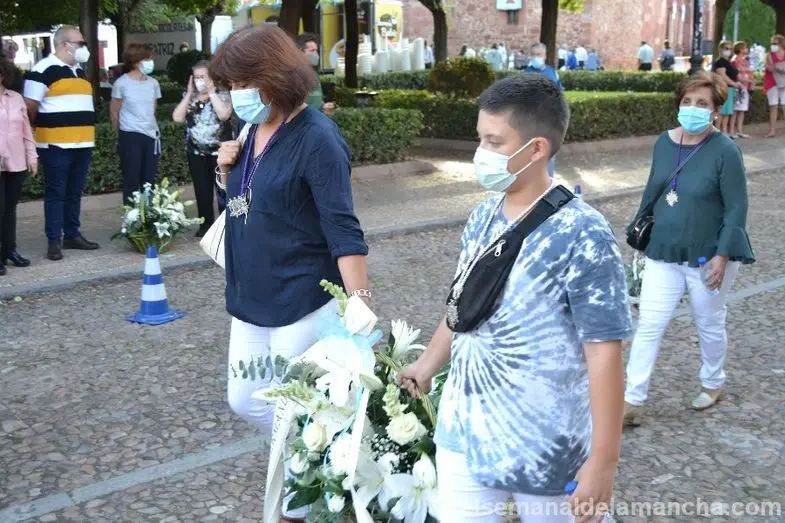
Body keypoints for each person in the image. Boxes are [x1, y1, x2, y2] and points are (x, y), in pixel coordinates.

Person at [399, 74, 632, 523]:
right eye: (480, 139)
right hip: (463, 434)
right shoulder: (482, 216)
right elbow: (464, 305)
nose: (480, 153)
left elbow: (604, 353)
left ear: (536, 148)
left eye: (493, 142)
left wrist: (603, 462)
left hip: (546, 447)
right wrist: (427, 365)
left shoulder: (583, 233)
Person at [209, 24, 370, 522]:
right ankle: (323, 454)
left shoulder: (318, 138)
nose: (235, 93)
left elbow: (343, 227)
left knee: (291, 410)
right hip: (250, 296)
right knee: (245, 400)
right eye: (230, 85)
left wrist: (359, 302)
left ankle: (296, 505)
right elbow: (246, 204)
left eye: (243, 83)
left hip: (300, 299)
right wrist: (224, 172)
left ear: (274, 76)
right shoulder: (250, 131)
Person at [623, 72, 754, 426]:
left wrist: (722, 256)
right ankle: (632, 400)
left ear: (715, 110)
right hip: (664, 251)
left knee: (708, 323)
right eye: (687, 101)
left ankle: (713, 383)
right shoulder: (664, 143)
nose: (692, 108)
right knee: (649, 324)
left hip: (708, 255)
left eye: (702, 103)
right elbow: (652, 190)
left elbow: (737, 208)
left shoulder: (726, 151)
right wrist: (640, 234)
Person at [23, 25, 99, 261]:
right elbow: (29, 106)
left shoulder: (78, 70)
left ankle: (72, 234)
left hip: (82, 143)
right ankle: (54, 240)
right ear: (65, 45)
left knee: (74, 191)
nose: (84, 48)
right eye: (80, 43)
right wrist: (36, 129)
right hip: (55, 144)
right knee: (56, 192)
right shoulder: (42, 69)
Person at [171, 60, 233, 236]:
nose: (200, 81)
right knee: (201, 190)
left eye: (203, 77)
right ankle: (206, 226)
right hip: (196, 152)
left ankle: (226, 226)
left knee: (223, 190)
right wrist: (189, 93)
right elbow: (177, 117)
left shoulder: (223, 94)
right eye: (196, 77)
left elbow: (224, 114)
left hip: (219, 153)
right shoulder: (189, 96)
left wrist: (211, 92)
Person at [0, 59, 37, 275]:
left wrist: (32, 156)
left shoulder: (16, 98)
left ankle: (9, 250)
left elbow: (26, 130)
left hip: (16, 161)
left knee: (10, 209)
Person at [525, 43, 562, 178]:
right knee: (531, 156)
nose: (536, 57)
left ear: (545, 56)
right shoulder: (525, 74)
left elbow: (560, 95)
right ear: (530, 55)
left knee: (548, 155)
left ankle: (548, 183)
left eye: (539, 54)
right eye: (534, 54)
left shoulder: (552, 73)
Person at [295, 33, 335, 115]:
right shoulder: (294, 75)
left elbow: (317, 99)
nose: (316, 54)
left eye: (316, 50)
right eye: (312, 51)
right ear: (300, 51)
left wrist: (324, 106)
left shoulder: (314, 74)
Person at [712, 40, 743, 137]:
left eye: (730, 49)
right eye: (726, 48)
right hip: (723, 88)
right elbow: (723, 75)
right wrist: (734, 83)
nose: (728, 50)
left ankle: (724, 131)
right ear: (720, 49)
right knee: (721, 112)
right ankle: (717, 132)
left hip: (730, 89)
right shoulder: (720, 62)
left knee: (727, 112)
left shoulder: (728, 62)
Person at [763, 34, 785, 138]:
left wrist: (776, 65)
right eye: (772, 43)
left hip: (783, 83)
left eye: (775, 43)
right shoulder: (769, 55)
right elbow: (770, 68)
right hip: (771, 82)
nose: (773, 45)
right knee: (773, 106)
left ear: (781, 44)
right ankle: (772, 131)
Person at [731, 41, 753, 139]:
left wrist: (751, 81)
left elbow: (749, 72)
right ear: (740, 49)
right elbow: (735, 74)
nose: (746, 49)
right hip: (738, 87)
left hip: (745, 88)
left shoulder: (745, 61)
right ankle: (731, 131)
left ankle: (740, 131)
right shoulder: (734, 61)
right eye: (745, 47)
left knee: (742, 110)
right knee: (735, 110)